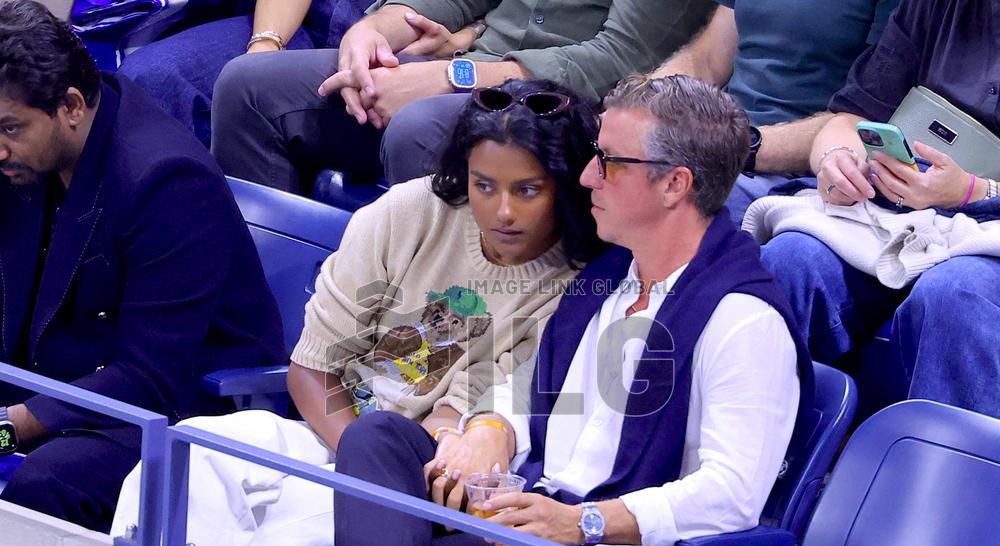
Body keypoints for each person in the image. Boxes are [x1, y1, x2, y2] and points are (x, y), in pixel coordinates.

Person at [325, 75, 813, 546]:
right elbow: (537, 385)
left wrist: (583, 522)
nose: (586, 177)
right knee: (379, 439)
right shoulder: (612, 276)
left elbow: (731, 494)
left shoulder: (744, 320)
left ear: (674, 184)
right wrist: (491, 430)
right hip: (540, 514)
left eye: (609, 163)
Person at [111, 79, 607, 546]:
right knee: (185, 452)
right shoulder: (410, 211)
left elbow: (465, 415)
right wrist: (358, 457)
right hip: (331, 432)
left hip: (422, 474)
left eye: (527, 190)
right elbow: (311, 368)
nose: (503, 211)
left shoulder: (576, 286)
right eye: (484, 186)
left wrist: (377, 467)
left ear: (565, 185)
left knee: (260, 535)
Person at [0, 0, 285, 532]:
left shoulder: (167, 180)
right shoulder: (28, 152)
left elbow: (149, 375)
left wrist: (6, 428)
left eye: (10, 129)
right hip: (59, 378)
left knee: (46, 483)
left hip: (170, 408)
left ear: (70, 106)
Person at [754, 0, 1000, 417]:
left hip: (986, 235)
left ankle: (946, 460)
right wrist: (838, 161)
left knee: (954, 294)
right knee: (791, 258)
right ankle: (743, 446)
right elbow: (851, 118)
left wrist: (973, 190)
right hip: (896, 214)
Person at [210, 0, 714, 194]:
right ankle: (257, 334)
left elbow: (616, 61)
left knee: (420, 128)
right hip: (466, 69)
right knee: (248, 86)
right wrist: (374, 31)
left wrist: (453, 76)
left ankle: (421, 357)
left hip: (566, 109)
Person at [650, 0, 900, 225]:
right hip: (720, 137)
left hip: (799, 164)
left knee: (680, 200)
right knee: (631, 174)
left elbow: (865, 110)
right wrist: (642, 101)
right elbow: (706, 60)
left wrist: (736, 146)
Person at [118, 0, 371, 147]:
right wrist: (264, 45)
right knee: (145, 82)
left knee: (151, 83)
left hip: (362, 40)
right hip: (296, 22)